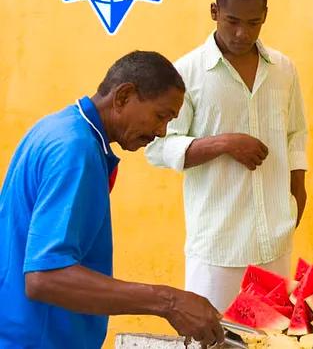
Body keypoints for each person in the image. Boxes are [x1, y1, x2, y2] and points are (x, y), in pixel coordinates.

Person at [0, 51, 224, 349]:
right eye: (160, 116)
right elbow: (45, 277)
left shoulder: (57, 127)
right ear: (123, 96)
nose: (161, 132)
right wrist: (168, 301)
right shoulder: (75, 149)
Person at [146, 0, 308, 311]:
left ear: (265, 16)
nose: (241, 33)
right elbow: (158, 147)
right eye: (232, 21)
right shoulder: (186, 73)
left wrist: (298, 187)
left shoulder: (284, 69)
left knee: (274, 335)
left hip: (275, 240)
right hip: (217, 248)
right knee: (211, 335)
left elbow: (295, 132)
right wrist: (223, 143)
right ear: (214, 12)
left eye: (253, 23)